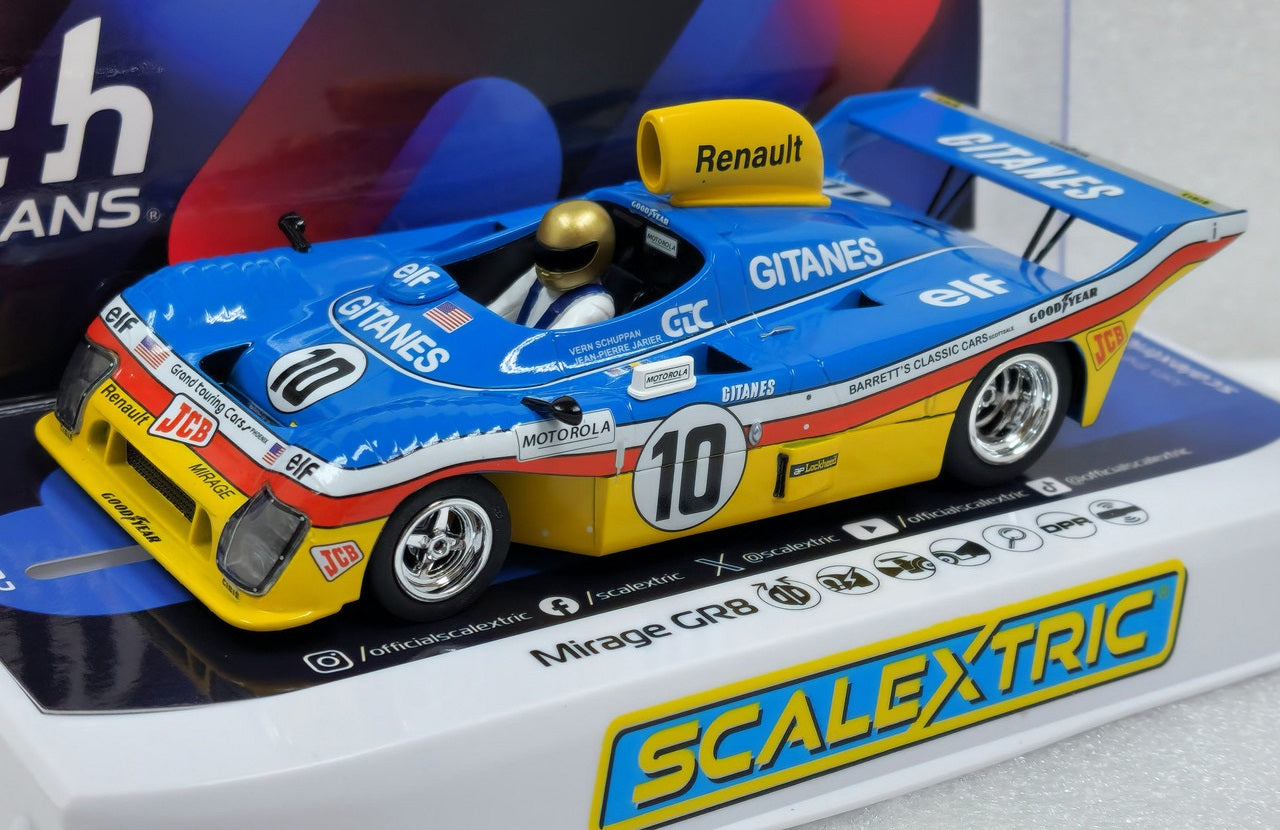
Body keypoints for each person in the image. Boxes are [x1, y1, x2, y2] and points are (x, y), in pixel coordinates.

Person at [489, 200, 616, 329]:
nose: (550, 266)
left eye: (564, 259)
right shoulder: (538, 274)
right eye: (545, 254)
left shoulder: (595, 307)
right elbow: (501, 308)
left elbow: (547, 342)